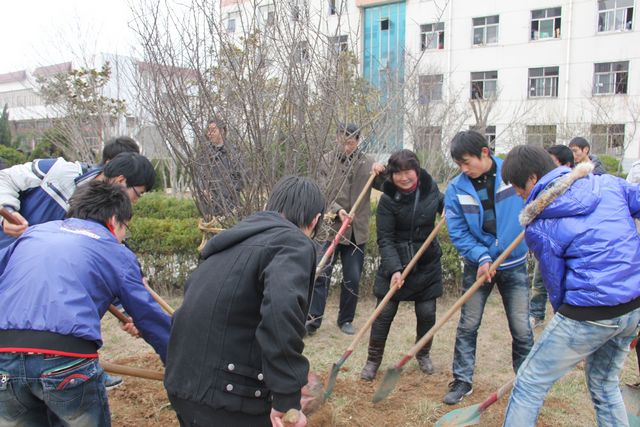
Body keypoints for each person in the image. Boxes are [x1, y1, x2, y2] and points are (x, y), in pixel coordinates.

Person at [0, 181, 171, 426]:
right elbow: (148, 316)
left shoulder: (35, 234)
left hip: (4, 356)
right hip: (65, 358)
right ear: (114, 220)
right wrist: (175, 361)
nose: (124, 236)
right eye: (126, 228)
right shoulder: (115, 251)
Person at [164, 176, 325, 427]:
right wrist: (286, 399)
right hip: (227, 401)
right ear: (315, 220)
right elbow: (281, 314)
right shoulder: (294, 243)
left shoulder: (232, 241)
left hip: (182, 384)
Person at [500, 145, 640, 426]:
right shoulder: (609, 184)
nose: (517, 194)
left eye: (518, 187)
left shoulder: (538, 224)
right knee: (603, 382)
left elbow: (555, 283)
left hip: (589, 312)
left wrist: (569, 321)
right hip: (632, 308)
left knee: (529, 383)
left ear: (533, 178)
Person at [442, 130, 533, 405]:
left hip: (514, 262)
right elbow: (457, 231)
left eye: (467, 162)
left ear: (485, 152)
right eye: (459, 164)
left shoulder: (513, 172)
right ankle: (462, 380)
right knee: (468, 324)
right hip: (478, 265)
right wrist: (481, 257)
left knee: (521, 327)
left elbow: (533, 202)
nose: (464, 169)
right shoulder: (457, 188)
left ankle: (527, 381)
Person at [360, 150, 444, 381]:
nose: (403, 177)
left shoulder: (430, 188)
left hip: (426, 262)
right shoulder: (388, 199)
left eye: (408, 172)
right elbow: (385, 239)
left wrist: (448, 206)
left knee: (427, 313)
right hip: (395, 260)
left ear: (416, 171)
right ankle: (373, 361)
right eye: (397, 173)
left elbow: (443, 203)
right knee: (384, 313)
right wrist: (395, 269)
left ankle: (423, 354)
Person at [306, 123, 385, 336]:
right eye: (343, 141)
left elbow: (386, 186)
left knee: (352, 277)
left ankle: (346, 320)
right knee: (321, 273)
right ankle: (312, 320)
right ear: (336, 138)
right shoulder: (326, 160)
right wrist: (338, 210)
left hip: (355, 231)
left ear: (358, 141)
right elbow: (323, 191)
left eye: (350, 142)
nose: (346, 147)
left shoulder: (368, 163)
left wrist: (382, 172)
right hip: (330, 227)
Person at [0, 151, 154, 249]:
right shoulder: (58, 171)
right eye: (138, 194)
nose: (135, 202)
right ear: (120, 180)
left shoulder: (108, 219)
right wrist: (6, 213)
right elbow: (5, 178)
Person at [529, 145, 575, 330]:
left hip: (569, 248)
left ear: (566, 165)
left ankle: (565, 319)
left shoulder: (575, 188)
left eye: (552, 163)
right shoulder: (543, 191)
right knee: (540, 280)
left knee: (564, 286)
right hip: (549, 245)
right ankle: (536, 314)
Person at [193, 118, 245, 218]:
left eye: (213, 130)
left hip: (231, 208)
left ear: (222, 131)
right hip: (210, 208)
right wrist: (203, 190)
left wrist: (227, 195)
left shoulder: (233, 153)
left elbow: (241, 178)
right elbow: (198, 176)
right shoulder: (204, 154)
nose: (209, 133)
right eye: (208, 130)